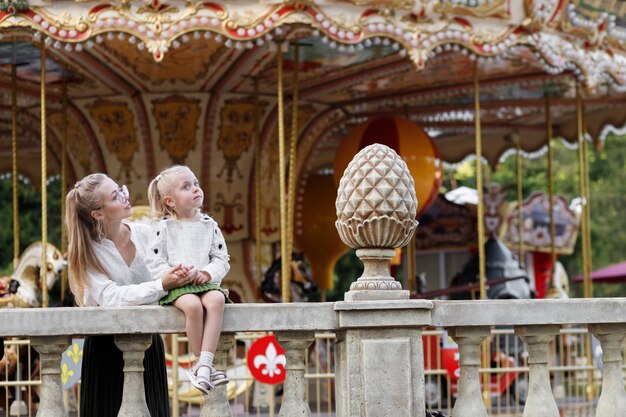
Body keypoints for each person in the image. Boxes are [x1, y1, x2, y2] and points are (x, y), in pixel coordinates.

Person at [66, 173, 193, 417]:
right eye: (115, 196)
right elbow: (111, 297)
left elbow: (173, 271)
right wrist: (161, 285)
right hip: (105, 349)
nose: (125, 196)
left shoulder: (146, 234)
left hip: (148, 344)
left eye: (121, 189)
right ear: (98, 214)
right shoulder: (85, 252)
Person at [146, 165, 232, 394]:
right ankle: (201, 363)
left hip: (204, 282)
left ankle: (204, 365)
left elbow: (221, 258)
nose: (195, 188)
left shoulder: (209, 225)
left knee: (216, 301)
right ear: (170, 201)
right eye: (186, 186)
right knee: (193, 306)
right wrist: (173, 274)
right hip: (179, 286)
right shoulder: (162, 228)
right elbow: (154, 262)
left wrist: (206, 273)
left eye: (195, 183)